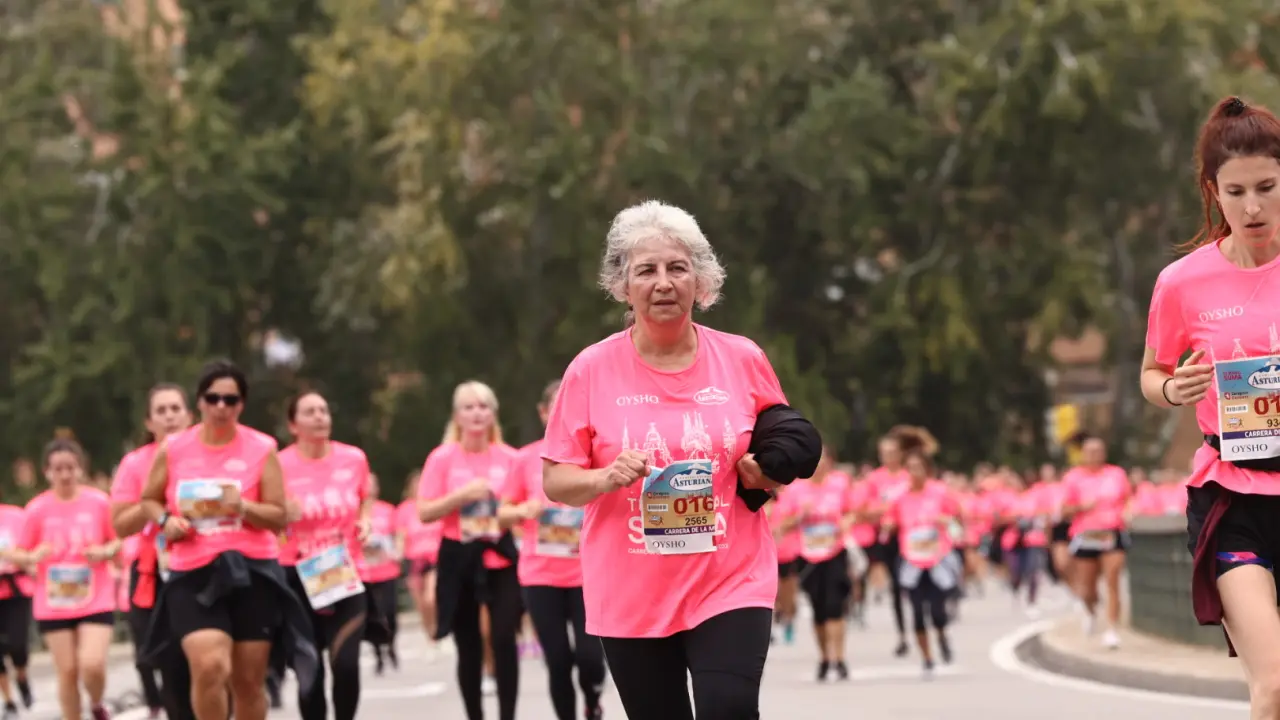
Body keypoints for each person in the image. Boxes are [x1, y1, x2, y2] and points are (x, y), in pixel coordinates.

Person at [541, 200, 816, 719]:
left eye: (678, 268)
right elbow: (556, 480)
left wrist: (767, 470)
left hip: (730, 577)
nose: (663, 283)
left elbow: (781, 441)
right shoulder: (590, 369)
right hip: (631, 591)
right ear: (623, 286)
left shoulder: (742, 358)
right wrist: (605, 477)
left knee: (729, 707)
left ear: (701, 281)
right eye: (646, 270)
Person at [1143, 95, 1280, 716]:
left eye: (1267, 188)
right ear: (1213, 192)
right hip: (1233, 496)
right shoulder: (1182, 283)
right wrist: (1174, 389)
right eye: (1236, 191)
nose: (1253, 208)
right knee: (1273, 684)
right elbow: (1152, 374)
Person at [139, 359, 316, 720]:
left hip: (253, 571)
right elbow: (149, 499)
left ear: (241, 405)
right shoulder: (173, 448)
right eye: (213, 398)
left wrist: (243, 507)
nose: (221, 406)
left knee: (248, 681)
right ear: (200, 402)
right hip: (193, 571)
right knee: (210, 666)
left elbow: (277, 515)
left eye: (230, 400)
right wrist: (166, 521)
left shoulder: (262, 447)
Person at [500, 379, 606, 720]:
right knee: (558, 661)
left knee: (591, 658)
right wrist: (522, 510)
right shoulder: (525, 458)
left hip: (587, 574)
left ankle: (592, 701)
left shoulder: (597, 452)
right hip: (540, 576)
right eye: (556, 407)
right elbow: (501, 513)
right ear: (544, 412)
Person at [418, 381, 523, 720]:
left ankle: (507, 714)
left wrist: (511, 512)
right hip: (458, 554)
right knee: (468, 644)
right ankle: (474, 714)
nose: (477, 413)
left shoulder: (510, 457)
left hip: (499, 553)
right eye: (469, 407)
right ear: (457, 416)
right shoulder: (442, 458)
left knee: (504, 637)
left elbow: (524, 506)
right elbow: (425, 511)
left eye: (483, 406)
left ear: (493, 413)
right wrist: (460, 497)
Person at [279, 391, 373, 720]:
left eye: (323, 410)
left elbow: (364, 498)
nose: (320, 417)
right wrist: (281, 515)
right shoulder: (278, 465)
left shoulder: (354, 459)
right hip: (296, 574)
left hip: (344, 572)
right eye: (310, 412)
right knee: (311, 671)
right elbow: (264, 518)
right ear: (293, 425)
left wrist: (365, 520)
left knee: (345, 664)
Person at [14, 438, 119, 720]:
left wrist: (105, 551)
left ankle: (96, 703)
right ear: (47, 472)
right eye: (58, 469)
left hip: (95, 597)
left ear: (81, 469)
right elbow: (19, 552)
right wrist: (33, 556)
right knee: (68, 672)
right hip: (54, 602)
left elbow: (119, 540)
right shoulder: (36, 509)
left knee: (91, 664)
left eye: (70, 467)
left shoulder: (99, 502)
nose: (65, 474)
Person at [110, 382, 193, 720]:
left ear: (189, 416)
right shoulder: (134, 464)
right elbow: (120, 524)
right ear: (149, 422)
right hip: (153, 571)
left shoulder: (207, 453)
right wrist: (153, 505)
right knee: (170, 666)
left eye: (176, 409)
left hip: (208, 566)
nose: (169, 416)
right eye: (161, 410)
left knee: (211, 660)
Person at [882, 431, 960, 676]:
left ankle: (942, 635)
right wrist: (888, 526)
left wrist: (946, 521)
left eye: (919, 468)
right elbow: (889, 522)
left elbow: (957, 522)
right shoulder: (900, 497)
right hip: (911, 560)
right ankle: (927, 658)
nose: (915, 473)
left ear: (928, 470)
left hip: (937, 558)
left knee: (937, 611)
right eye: (911, 468)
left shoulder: (940, 492)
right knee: (916, 612)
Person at [1060, 435, 1129, 648]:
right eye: (1090, 451)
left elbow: (1128, 499)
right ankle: (1090, 611)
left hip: (1111, 531)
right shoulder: (1073, 477)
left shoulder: (1116, 474)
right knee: (1087, 588)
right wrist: (1081, 506)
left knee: (1112, 578)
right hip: (1086, 534)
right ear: (1083, 454)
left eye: (1098, 450)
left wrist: (1128, 513)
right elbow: (1064, 510)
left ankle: (1111, 629)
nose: (1094, 455)